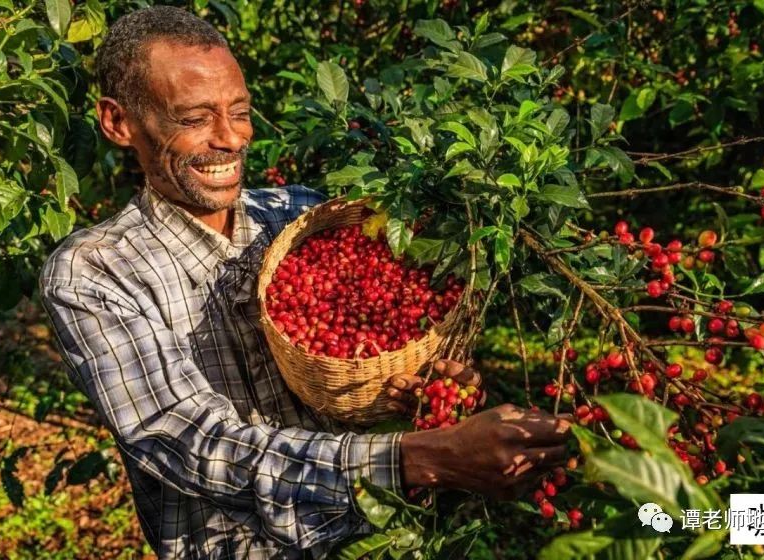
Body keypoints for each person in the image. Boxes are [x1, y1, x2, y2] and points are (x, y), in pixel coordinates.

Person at [40, 6, 570, 559]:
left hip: (385, 540)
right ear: (118, 122)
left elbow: (369, 372)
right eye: (194, 119)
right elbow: (192, 444)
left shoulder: (299, 216)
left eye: (240, 112)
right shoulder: (94, 271)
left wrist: (428, 394)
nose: (230, 138)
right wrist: (421, 457)